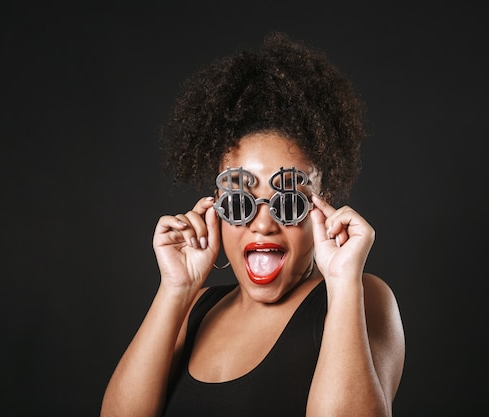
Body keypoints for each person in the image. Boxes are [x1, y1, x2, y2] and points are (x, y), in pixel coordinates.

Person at [100, 32, 405, 417]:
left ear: (321, 207)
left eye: (289, 201)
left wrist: (343, 284)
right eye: (240, 200)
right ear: (216, 209)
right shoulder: (195, 308)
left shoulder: (361, 298)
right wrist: (175, 289)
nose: (263, 224)